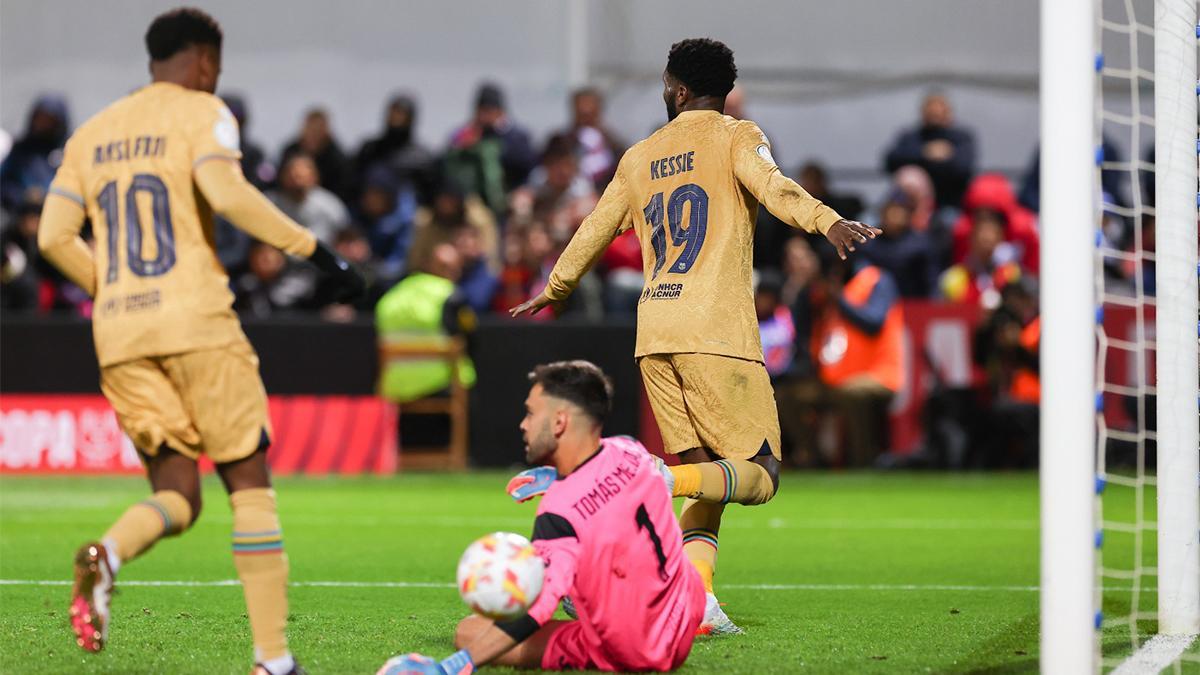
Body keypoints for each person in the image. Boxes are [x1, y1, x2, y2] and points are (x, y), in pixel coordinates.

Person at [511, 38, 879, 633]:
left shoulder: (639, 156)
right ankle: (640, 477)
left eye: (664, 82)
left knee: (708, 475)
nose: (663, 91)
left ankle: (697, 599)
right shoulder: (736, 135)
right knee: (759, 473)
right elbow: (775, 186)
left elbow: (594, 229)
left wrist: (555, 288)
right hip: (716, 330)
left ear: (679, 89)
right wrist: (827, 220)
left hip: (655, 332)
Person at [35, 10, 363, 674]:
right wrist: (315, 251)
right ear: (206, 63)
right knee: (248, 480)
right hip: (196, 320)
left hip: (121, 331)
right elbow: (225, 191)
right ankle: (273, 658)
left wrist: (113, 286)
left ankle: (109, 552)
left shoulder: (90, 133)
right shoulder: (202, 110)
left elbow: (50, 238)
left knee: (179, 491)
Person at [378, 360, 703, 673]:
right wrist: (561, 476)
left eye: (531, 413)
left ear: (559, 422)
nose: (523, 423)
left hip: (635, 651)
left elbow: (536, 608)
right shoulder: (633, 451)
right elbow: (605, 474)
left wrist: (454, 666)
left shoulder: (558, 513)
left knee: (468, 630)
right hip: (684, 620)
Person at [444, 82, 537, 218]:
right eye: (482, 110)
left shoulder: (517, 137)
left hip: (510, 197)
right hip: (474, 200)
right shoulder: (465, 134)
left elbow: (527, 166)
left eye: (489, 110)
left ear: (500, 111)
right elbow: (450, 159)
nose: (485, 115)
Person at [883, 92, 977, 209]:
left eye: (939, 112)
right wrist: (925, 153)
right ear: (923, 112)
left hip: (949, 204)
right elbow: (890, 161)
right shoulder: (910, 137)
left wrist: (945, 159)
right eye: (931, 112)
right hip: (910, 208)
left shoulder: (961, 138)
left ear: (948, 113)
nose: (935, 115)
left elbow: (964, 168)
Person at [353, 94, 438, 205]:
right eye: (393, 113)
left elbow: (429, 194)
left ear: (410, 119)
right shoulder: (370, 149)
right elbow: (354, 181)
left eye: (401, 114)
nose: (395, 118)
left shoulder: (422, 158)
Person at [1, 94, 70, 211]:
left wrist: (48, 197)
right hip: (22, 216)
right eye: (41, 119)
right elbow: (4, 183)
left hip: (59, 214)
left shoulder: (70, 151)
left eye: (50, 120)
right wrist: (23, 197)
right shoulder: (21, 150)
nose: (44, 125)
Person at [267, 153, 350, 245]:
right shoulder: (270, 203)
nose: (298, 182)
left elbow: (344, 233)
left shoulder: (329, 205)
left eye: (302, 177)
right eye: (293, 176)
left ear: (314, 177)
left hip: (322, 254)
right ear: (283, 176)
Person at [561, 88, 625, 191]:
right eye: (582, 114)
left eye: (590, 114)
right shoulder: (562, 144)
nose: (586, 112)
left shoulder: (614, 145)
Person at [280, 107, 349, 201]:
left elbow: (342, 189)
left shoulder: (337, 159)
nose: (313, 134)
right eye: (311, 129)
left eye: (317, 130)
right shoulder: (291, 150)